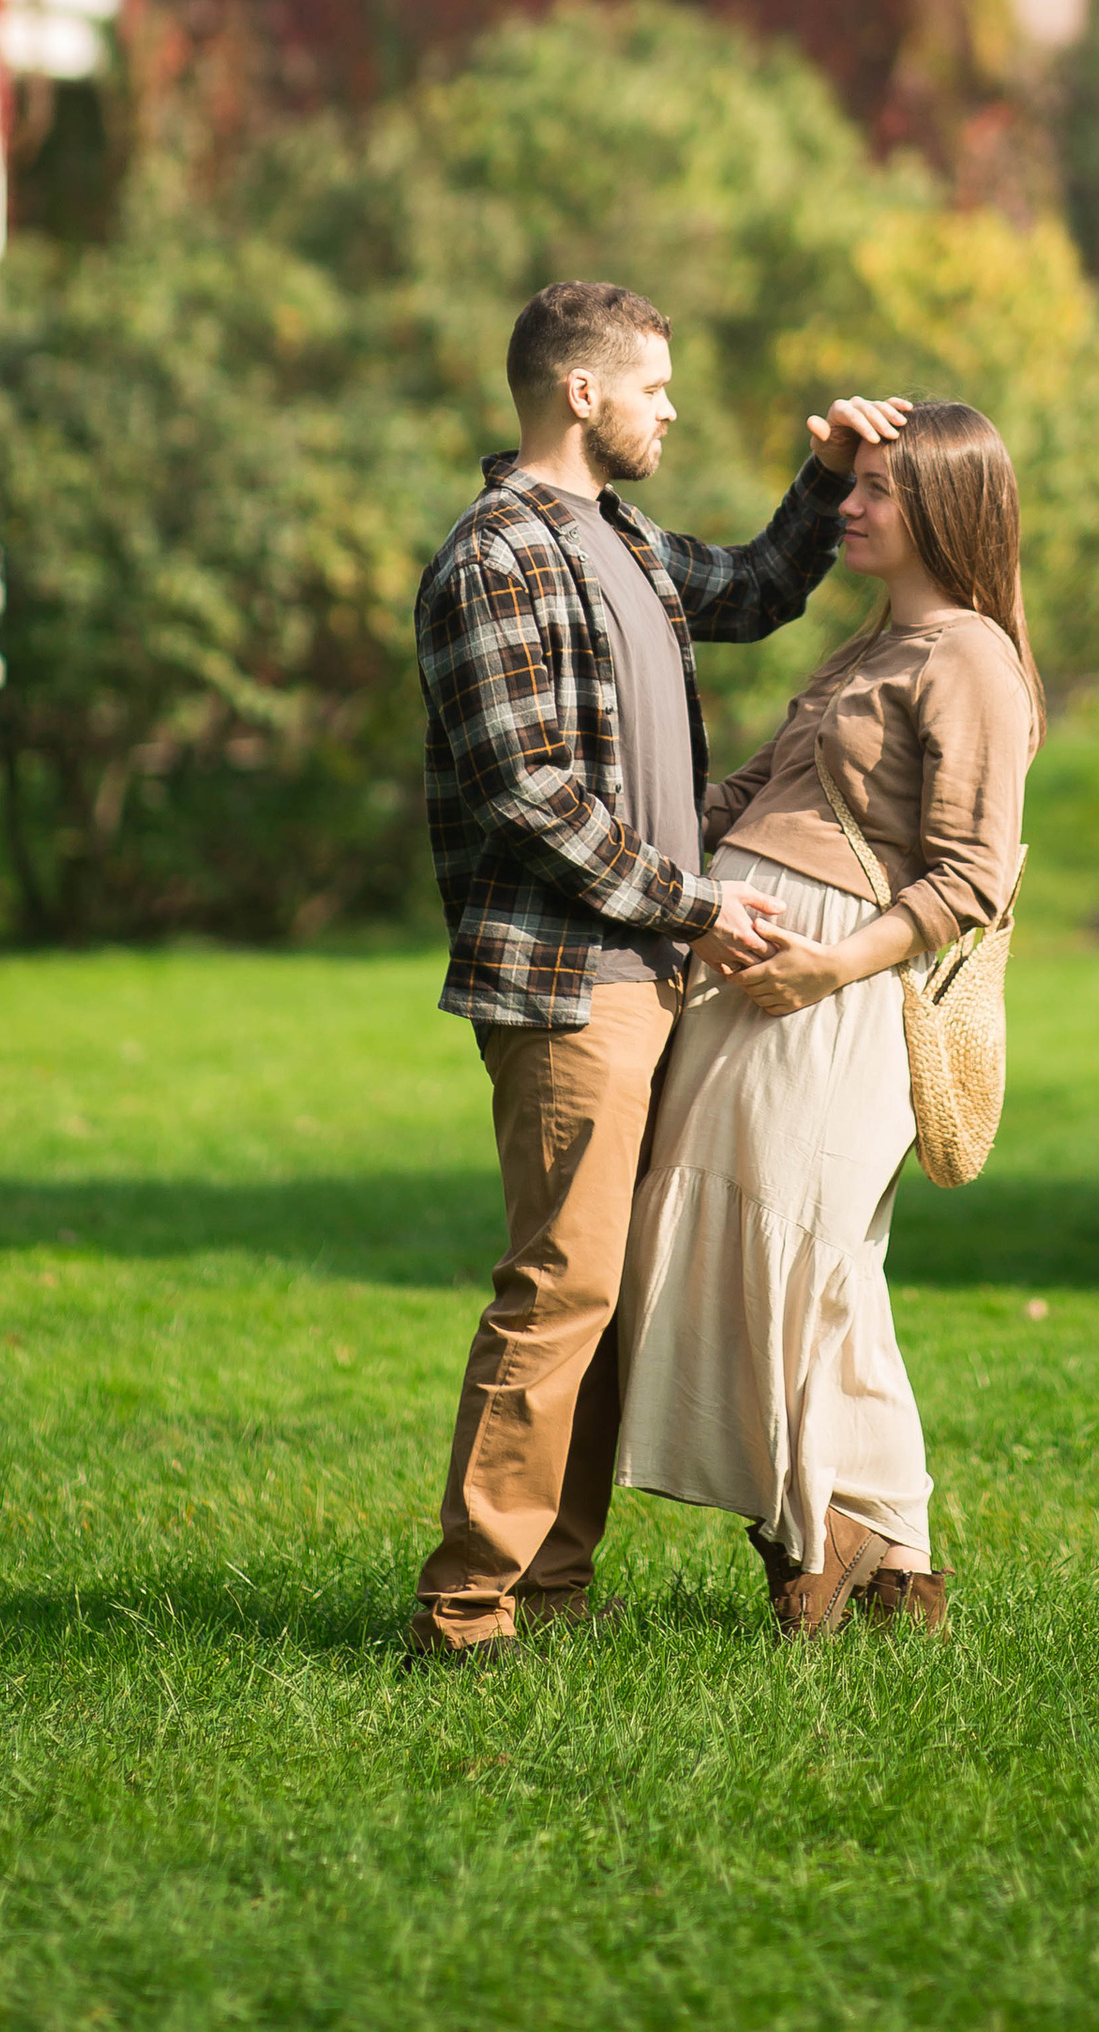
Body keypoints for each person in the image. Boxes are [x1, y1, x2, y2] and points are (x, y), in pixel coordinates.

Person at [405, 276, 908, 1667]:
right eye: (655, 387)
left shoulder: (618, 541)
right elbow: (526, 791)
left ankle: (552, 1590)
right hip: (569, 976)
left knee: (609, 1290)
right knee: (561, 1285)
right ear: (582, 391)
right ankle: (465, 1614)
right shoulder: (494, 557)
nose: (671, 408)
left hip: (648, 966)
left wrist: (821, 483)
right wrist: (695, 908)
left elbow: (751, 590)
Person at [614, 401, 1040, 1640]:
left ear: (947, 511)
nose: (844, 507)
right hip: (757, 972)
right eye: (850, 485)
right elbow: (751, 795)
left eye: (875, 493)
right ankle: (878, 1554)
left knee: (792, 1256)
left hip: (830, 990)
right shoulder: (867, 650)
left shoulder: (968, 660)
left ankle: (820, 1539)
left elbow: (972, 878)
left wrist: (825, 968)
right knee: (814, 1269)